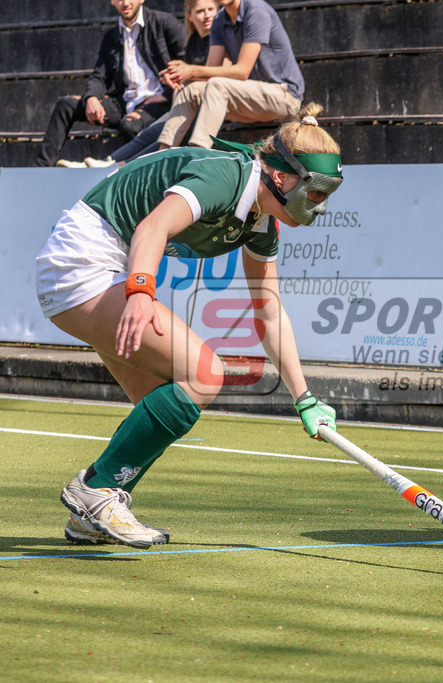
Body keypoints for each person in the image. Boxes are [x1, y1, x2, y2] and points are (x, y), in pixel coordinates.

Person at [38, 103, 343, 548]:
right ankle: (96, 489)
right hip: (82, 265)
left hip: (107, 270)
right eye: (317, 192)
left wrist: (305, 398)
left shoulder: (261, 221)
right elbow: (152, 228)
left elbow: (269, 312)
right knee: (205, 373)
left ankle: (94, 512)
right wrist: (141, 291)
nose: (320, 205)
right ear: (282, 176)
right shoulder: (226, 176)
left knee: (157, 404)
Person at [74, 0, 223, 169]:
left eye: (211, 9)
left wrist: (185, 78)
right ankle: (108, 161)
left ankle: (123, 165)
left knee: (169, 130)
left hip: (212, 105)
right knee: (154, 131)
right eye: (200, 11)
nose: (207, 15)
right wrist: (174, 82)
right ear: (189, 17)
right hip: (192, 101)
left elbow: (220, 73)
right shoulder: (193, 41)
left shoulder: (219, 38)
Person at [38, 0, 186, 167]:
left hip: (157, 102)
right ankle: (40, 169)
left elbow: (189, 61)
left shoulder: (163, 22)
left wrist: (167, 95)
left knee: (129, 125)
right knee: (66, 105)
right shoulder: (112, 36)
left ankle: (126, 177)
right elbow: (99, 75)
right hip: (125, 101)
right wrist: (92, 97)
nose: (125, 3)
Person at [155, 0, 303, 151]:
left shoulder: (257, 11)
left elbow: (242, 71)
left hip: (285, 97)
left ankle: (197, 153)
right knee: (189, 90)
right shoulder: (219, 20)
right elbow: (209, 72)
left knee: (217, 85)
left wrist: (191, 70)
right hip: (249, 100)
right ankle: (161, 155)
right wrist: (178, 74)